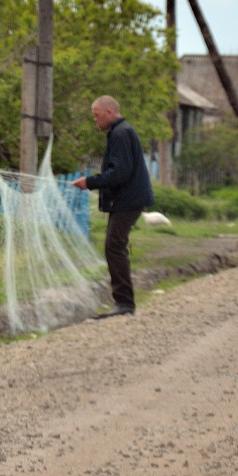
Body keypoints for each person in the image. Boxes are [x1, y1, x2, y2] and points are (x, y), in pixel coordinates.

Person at [71, 95, 154, 319]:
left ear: (109, 112)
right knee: (114, 247)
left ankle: (125, 303)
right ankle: (124, 301)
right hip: (127, 200)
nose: (95, 121)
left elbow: (120, 173)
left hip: (128, 201)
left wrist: (89, 182)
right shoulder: (121, 131)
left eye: (96, 116)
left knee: (114, 247)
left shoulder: (120, 133)